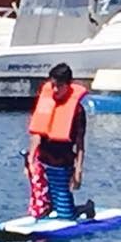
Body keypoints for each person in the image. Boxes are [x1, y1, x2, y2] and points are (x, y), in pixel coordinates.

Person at [26, 63, 92, 221]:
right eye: (53, 85)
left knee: (64, 213)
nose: (55, 90)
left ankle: (86, 209)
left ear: (69, 85)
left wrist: (78, 170)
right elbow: (37, 133)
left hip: (63, 163)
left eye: (60, 86)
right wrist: (30, 159)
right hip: (43, 161)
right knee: (43, 205)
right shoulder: (47, 102)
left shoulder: (77, 111)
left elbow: (80, 143)